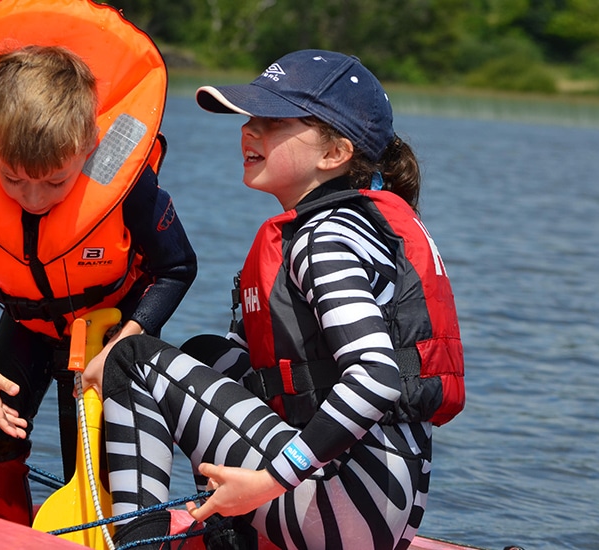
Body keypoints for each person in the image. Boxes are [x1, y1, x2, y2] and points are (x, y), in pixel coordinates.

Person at [87, 49, 465, 550]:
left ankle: (137, 545)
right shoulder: (345, 226)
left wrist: (266, 484)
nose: (249, 131)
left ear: (335, 154)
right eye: (250, 119)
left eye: (273, 122)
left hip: (344, 509)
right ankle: (232, 537)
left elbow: (377, 377)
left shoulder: (325, 239)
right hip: (380, 505)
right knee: (205, 355)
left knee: (132, 360)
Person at [0, 0, 197, 528]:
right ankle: (1, 535)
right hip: (27, 323)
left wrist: (127, 341)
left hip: (108, 329)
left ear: (89, 146)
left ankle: (104, 533)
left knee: (84, 457)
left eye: (55, 182)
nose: (33, 198)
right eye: (13, 179)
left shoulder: (128, 188)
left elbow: (177, 269)